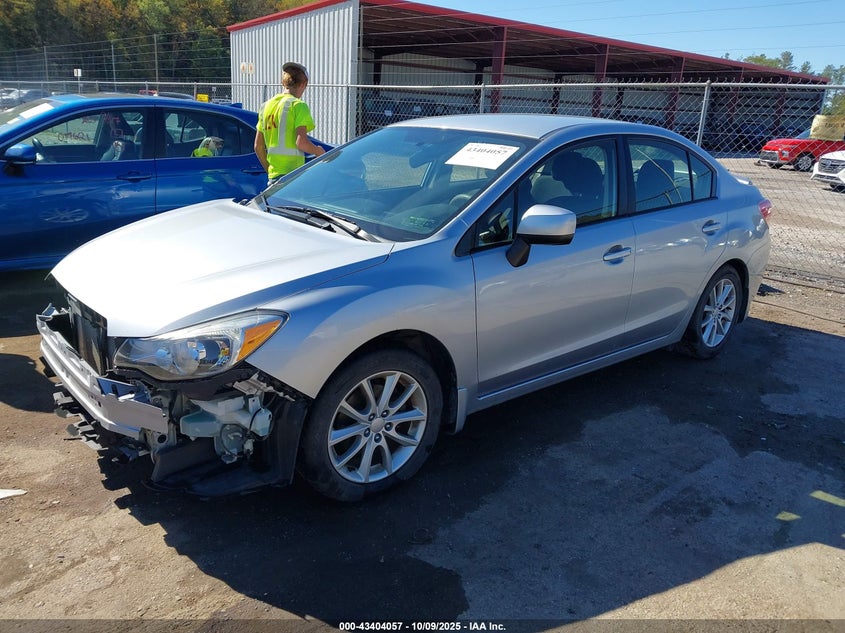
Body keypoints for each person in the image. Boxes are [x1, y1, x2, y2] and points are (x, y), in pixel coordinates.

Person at [254, 61, 325, 184]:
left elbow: (258, 146)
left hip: (274, 177)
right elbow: (301, 143)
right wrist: (318, 151)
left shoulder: (265, 106)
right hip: (292, 176)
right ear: (304, 84)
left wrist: (270, 172)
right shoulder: (298, 105)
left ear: (283, 83)